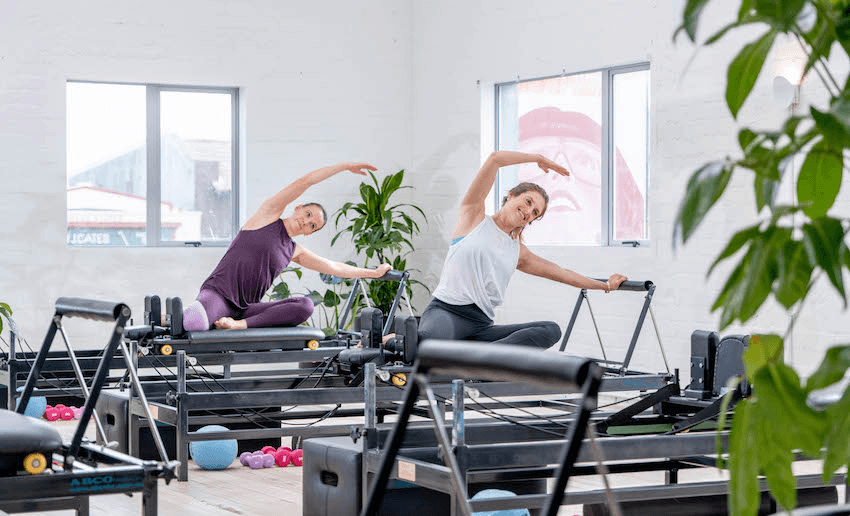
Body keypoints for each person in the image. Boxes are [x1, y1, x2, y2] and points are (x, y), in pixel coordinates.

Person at [417, 150, 628, 348]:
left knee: (550, 330)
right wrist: (537, 158)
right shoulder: (473, 216)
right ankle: (476, 359)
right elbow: (495, 159)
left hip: (481, 327)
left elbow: (562, 273)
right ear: (511, 195)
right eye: (528, 201)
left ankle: (479, 358)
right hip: (446, 313)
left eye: (535, 212)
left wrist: (605, 285)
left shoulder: (518, 252)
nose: (528, 211)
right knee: (429, 346)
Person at [183, 162, 392, 332]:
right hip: (219, 294)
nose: (306, 222)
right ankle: (173, 317)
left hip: (247, 311)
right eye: (308, 214)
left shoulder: (294, 250)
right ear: (298, 208)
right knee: (194, 321)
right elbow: (306, 181)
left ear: (309, 233)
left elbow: (334, 267)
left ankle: (239, 325)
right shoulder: (267, 215)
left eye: (312, 225)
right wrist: (345, 167)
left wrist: (374, 273)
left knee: (305, 306)